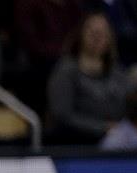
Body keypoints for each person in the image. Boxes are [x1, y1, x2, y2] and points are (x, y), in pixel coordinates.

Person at [46, 11, 127, 145]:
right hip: (76, 144)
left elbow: (129, 106)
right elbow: (61, 116)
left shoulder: (117, 71)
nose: (97, 37)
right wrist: (102, 127)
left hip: (117, 142)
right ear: (80, 34)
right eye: (92, 31)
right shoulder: (66, 70)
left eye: (102, 32)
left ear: (110, 38)